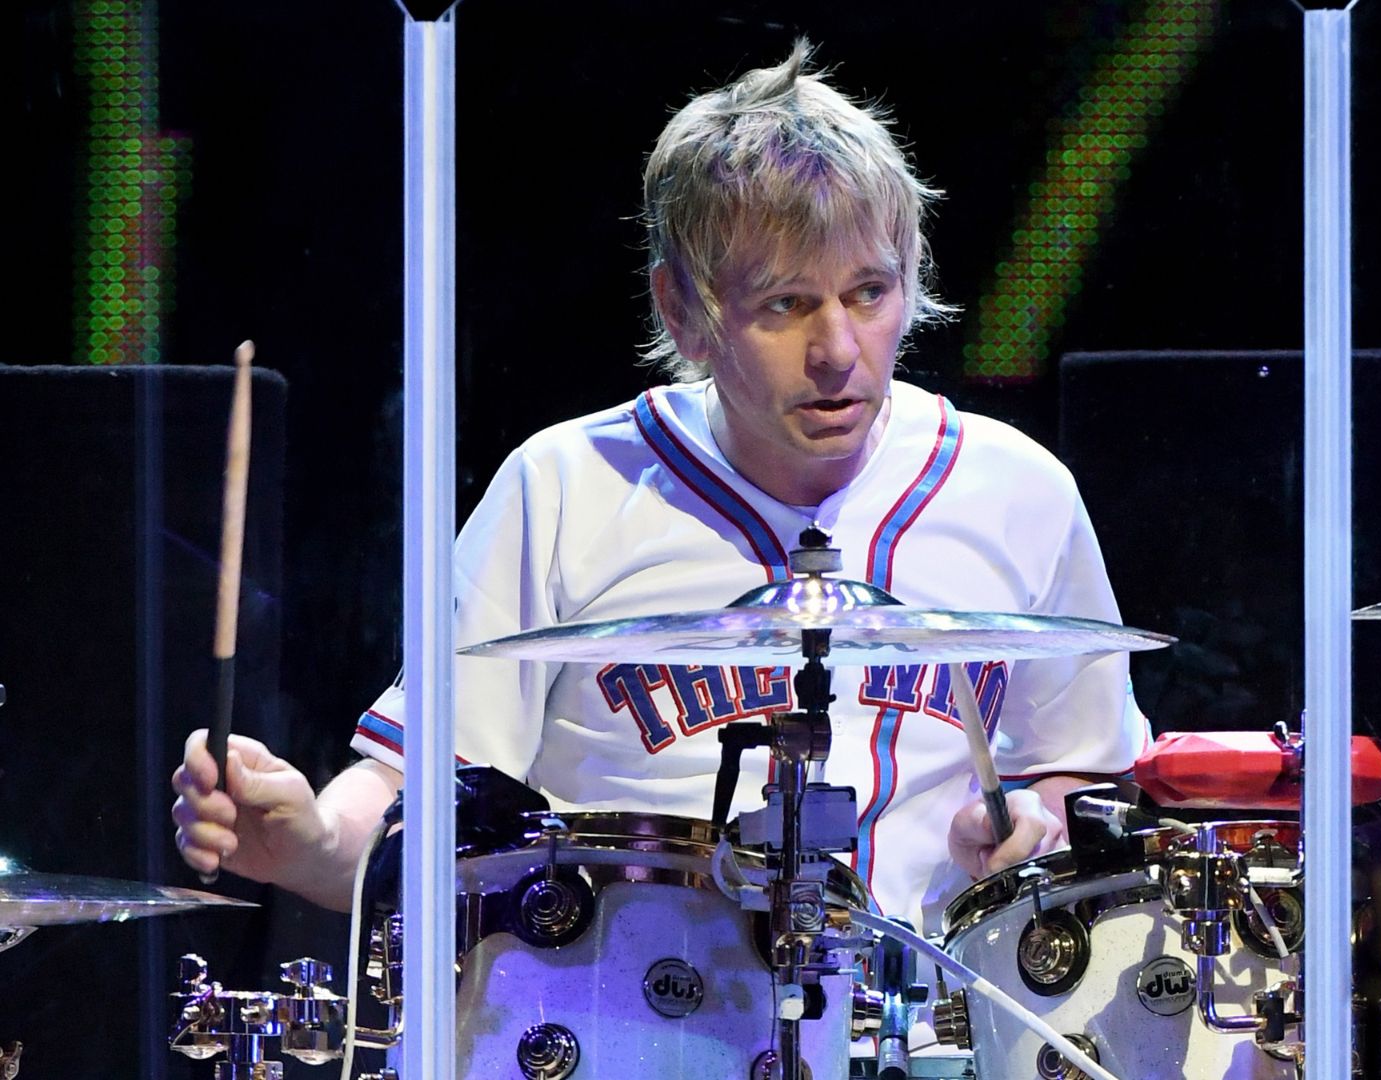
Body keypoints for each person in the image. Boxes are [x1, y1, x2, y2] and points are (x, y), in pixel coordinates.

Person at [171, 43, 1150, 928]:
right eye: (785, 305)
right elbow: (419, 794)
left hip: (938, 1026)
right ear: (682, 310)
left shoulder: (1020, 494)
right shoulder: (565, 490)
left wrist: (1036, 828)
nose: (838, 350)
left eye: (869, 292)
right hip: (621, 1019)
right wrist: (308, 845)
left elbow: (1091, 775)